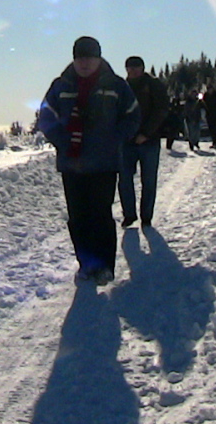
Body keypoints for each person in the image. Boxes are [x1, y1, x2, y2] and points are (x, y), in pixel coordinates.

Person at [36, 36, 141, 285]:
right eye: (80, 58)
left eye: (89, 58)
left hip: (104, 163)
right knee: (77, 217)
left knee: (100, 214)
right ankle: (86, 264)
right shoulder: (61, 86)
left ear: (98, 59)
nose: (84, 63)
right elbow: (46, 116)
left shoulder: (115, 85)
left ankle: (104, 266)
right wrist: (63, 140)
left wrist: (114, 138)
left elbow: (132, 115)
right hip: (71, 164)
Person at [119, 56, 169, 228]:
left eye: (135, 67)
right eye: (129, 68)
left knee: (148, 180)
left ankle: (146, 216)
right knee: (124, 179)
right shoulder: (123, 87)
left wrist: (147, 133)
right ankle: (129, 214)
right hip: (127, 141)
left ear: (142, 68)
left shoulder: (153, 85)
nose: (132, 71)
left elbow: (161, 110)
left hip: (149, 140)